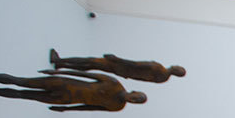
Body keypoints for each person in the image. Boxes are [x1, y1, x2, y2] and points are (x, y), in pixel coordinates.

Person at [0, 70, 146, 112]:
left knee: (21, 95)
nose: (133, 100)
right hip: (62, 84)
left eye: (136, 102)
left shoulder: (116, 106)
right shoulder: (114, 83)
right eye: (136, 97)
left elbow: (89, 107)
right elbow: (84, 74)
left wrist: (67, 109)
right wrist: (59, 70)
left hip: (64, 99)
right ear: (134, 91)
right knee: (18, 81)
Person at [50, 49, 185, 83]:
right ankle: (61, 64)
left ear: (176, 70)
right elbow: (141, 77)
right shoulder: (162, 79)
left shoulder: (158, 68)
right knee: (91, 66)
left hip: (122, 66)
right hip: (124, 73)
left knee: (90, 61)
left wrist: (116, 59)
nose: (176, 65)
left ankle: (60, 61)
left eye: (178, 67)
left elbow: (135, 64)